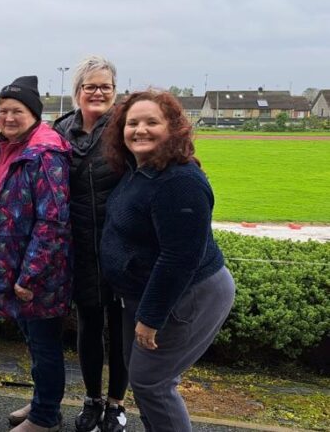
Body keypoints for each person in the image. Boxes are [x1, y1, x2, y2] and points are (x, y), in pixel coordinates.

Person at [100, 90, 235, 432]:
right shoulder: (141, 169)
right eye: (132, 123)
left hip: (186, 295)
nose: (139, 130)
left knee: (152, 383)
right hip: (143, 293)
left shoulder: (180, 183)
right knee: (141, 375)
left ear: (173, 129)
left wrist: (150, 317)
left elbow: (180, 258)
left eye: (151, 122)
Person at [0, 76, 71, 432]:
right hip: (16, 268)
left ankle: (46, 416)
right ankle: (42, 403)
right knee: (35, 342)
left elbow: (53, 220)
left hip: (37, 274)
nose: (8, 117)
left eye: (17, 110)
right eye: (2, 110)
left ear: (34, 114)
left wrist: (30, 275)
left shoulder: (45, 154)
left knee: (45, 344)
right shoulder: (11, 146)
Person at [52, 56, 128, 432]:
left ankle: (116, 404)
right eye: (90, 86)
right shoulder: (60, 130)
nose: (98, 92)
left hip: (120, 246)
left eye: (105, 87)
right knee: (88, 324)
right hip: (78, 245)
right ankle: (92, 399)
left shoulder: (126, 128)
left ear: (115, 92)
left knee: (120, 326)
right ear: (77, 91)